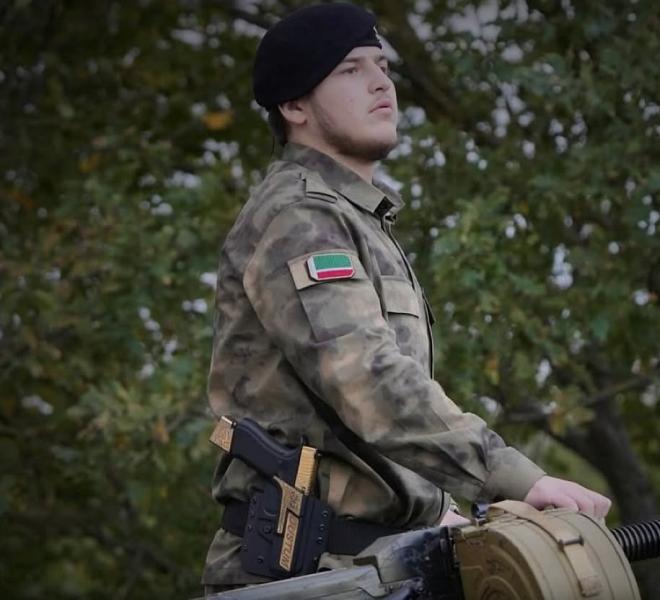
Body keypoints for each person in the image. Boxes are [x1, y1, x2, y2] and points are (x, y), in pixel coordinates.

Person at [201, 2, 611, 595]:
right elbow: (366, 380)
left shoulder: (355, 218)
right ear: (294, 106)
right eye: (350, 70)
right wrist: (514, 477)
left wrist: (438, 508)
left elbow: (367, 424)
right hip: (305, 572)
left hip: (370, 564)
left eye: (383, 66)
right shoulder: (299, 217)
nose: (380, 83)